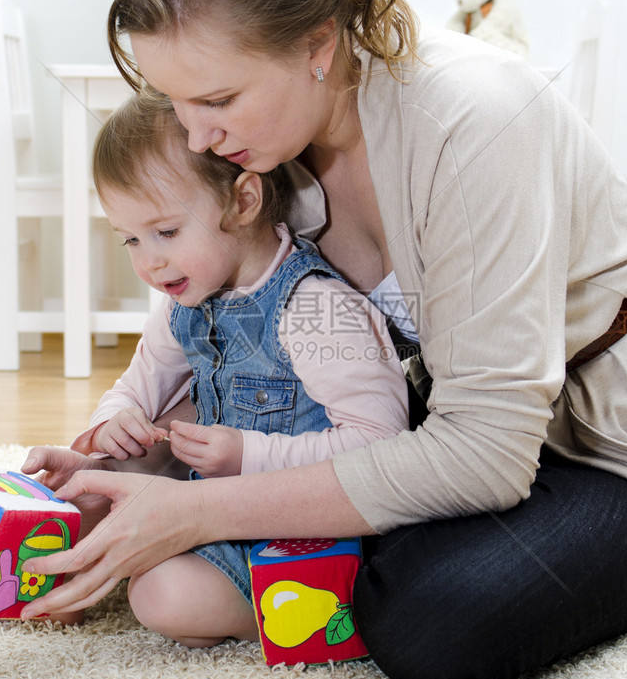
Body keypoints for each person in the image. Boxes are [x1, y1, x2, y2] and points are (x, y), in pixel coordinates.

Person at [22, 0, 627, 679]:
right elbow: (229, 337)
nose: (197, 134)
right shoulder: (266, 151)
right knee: (311, 525)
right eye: (177, 102)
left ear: (318, 43)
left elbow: (486, 455)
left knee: (433, 620)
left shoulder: (473, 122)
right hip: (454, 420)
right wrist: (127, 469)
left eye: (216, 100)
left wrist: (200, 509)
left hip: (619, 448)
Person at [45, 86, 408, 646]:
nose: (149, 261)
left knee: (161, 597)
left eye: (166, 232)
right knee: (87, 486)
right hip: (203, 507)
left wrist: (248, 455)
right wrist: (113, 422)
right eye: (130, 240)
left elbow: (381, 448)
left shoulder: (315, 309)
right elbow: (135, 388)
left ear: (243, 202)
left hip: (306, 531)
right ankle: (40, 579)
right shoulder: (184, 302)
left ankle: (320, 606)